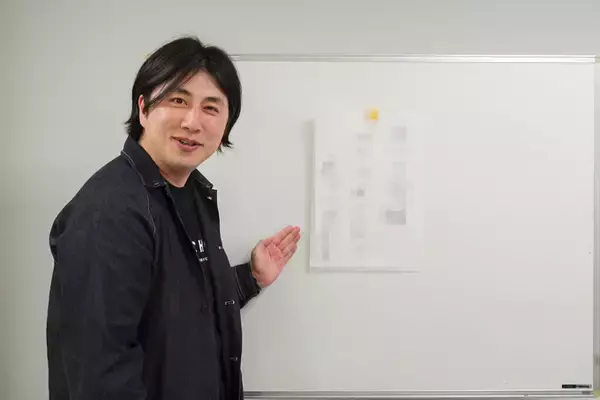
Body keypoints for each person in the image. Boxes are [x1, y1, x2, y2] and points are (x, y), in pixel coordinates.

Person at [46, 36, 301, 400]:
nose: (192, 122)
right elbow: (100, 372)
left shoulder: (192, 194)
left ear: (226, 124)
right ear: (144, 108)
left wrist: (250, 278)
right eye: (178, 100)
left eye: (211, 108)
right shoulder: (111, 212)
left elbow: (178, 306)